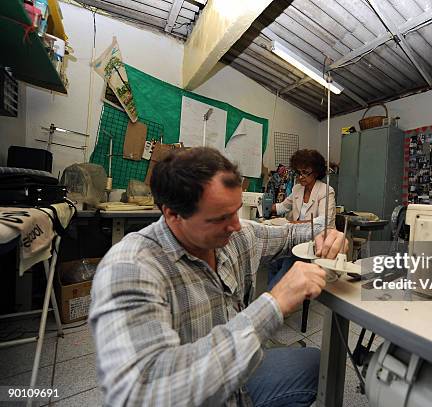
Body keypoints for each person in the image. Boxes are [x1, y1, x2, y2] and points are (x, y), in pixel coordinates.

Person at [89, 147, 346, 406]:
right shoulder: (131, 267)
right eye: (221, 217)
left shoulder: (236, 235)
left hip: (238, 376)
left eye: (235, 210)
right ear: (172, 214)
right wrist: (273, 304)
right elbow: (141, 393)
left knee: (316, 363)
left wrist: (328, 236)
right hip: (193, 396)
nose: (236, 225)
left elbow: (290, 235)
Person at [268, 149, 336, 288]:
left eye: (306, 172)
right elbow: (283, 207)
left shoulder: (326, 190)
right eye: (299, 172)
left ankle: (273, 298)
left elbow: (324, 221)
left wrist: (296, 223)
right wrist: (266, 205)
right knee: (272, 260)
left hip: (315, 242)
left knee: (288, 264)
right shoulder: (297, 189)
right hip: (296, 239)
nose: (301, 176)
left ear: (316, 172)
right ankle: (275, 298)